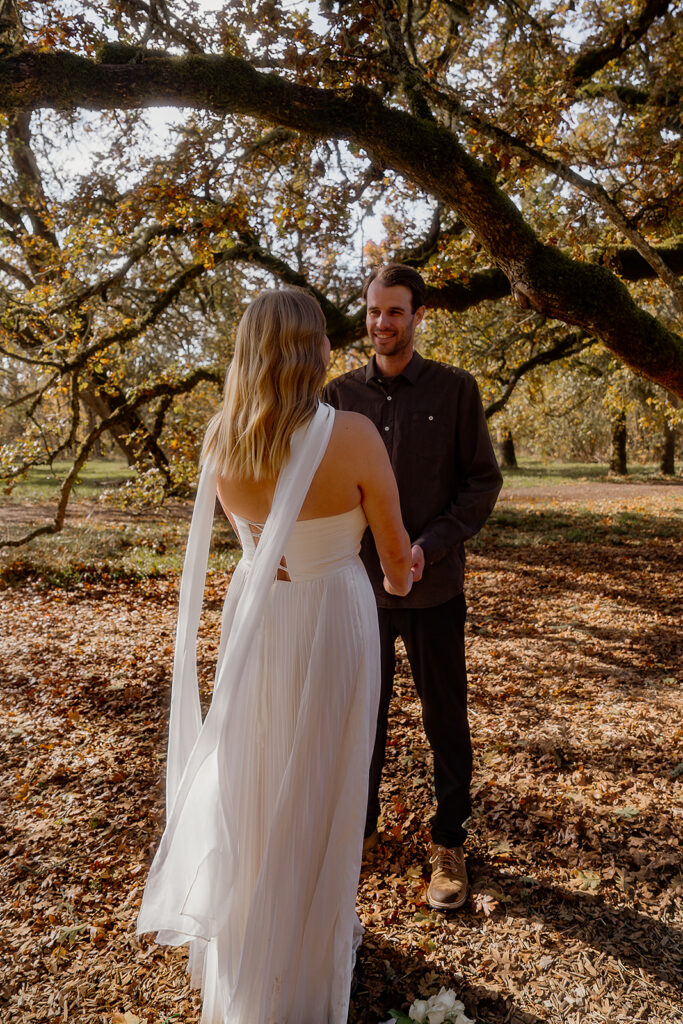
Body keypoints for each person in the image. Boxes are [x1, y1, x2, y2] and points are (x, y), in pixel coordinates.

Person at [136, 288, 412, 1024]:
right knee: (322, 780)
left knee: (252, 781)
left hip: (258, 620)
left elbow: (259, 542)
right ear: (311, 348)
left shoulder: (224, 435)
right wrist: (402, 567)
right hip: (333, 616)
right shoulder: (352, 433)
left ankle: (255, 947)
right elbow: (392, 562)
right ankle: (305, 947)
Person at [323, 264, 503, 911]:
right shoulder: (338, 397)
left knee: (444, 721)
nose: (381, 323)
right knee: (357, 721)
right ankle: (358, 833)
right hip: (357, 591)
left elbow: (480, 483)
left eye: (394, 312)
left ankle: (448, 844)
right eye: (373, 311)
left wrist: (429, 546)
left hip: (433, 593)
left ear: (418, 316)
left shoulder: (455, 391)